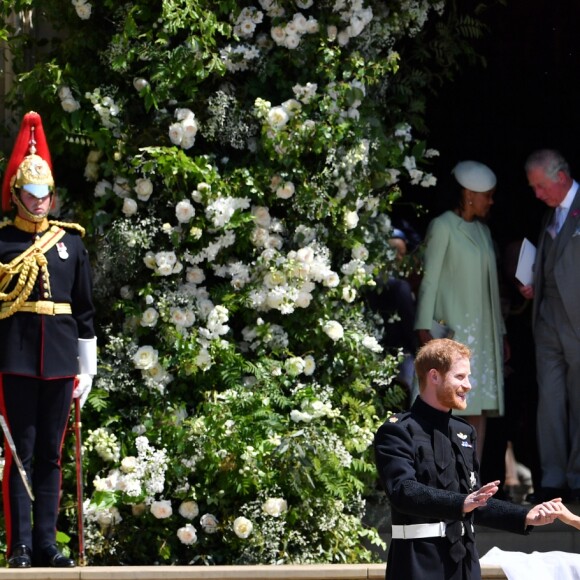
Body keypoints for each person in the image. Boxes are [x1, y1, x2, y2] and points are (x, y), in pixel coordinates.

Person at [373, 338, 563, 580]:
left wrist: (524, 516)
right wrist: (462, 503)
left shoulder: (464, 432)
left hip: (464, 564)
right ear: (434, 376)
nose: (469, 385)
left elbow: (475, 500)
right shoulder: (398, 431)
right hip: (418, 564)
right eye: (460, 377)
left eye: (468, 377)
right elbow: (403, 491)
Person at [0, 111, 97, 568]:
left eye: (45, 193)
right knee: (20, 451)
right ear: (17, 194)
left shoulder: (71, 243)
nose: (40, 201)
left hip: (60, 359)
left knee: (51, 456)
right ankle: (18, 545)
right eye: (31, 193)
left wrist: (87, 366)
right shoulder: (1, 244)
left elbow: (84, 309)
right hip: (16, 356)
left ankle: (46, 544)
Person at [414, 161, 508, 463]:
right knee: (451, 404)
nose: (491, 201)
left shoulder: (482, 231)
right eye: (487, 195)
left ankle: (472, 479)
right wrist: (422, 327)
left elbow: (490, 288)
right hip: (454, 329)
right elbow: (429, 278)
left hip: (483, 334)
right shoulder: (442, 226)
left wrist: (502, 333)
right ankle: (445, 478)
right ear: (469, 194)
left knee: (478, 406)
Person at [520, 149, 580, 502]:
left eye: (541, 186)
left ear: (561, 177)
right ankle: (554, 478)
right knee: (551, 402)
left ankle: (576, 479)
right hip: (548, 323)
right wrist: (533, 284)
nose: (537, 194)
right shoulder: (549, 216)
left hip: (577, 322)